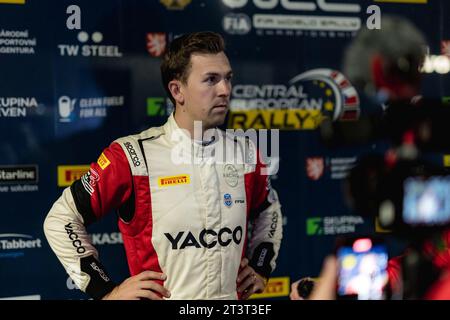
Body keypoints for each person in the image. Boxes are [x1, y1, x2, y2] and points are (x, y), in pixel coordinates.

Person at [44, 31, 283, 300]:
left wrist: (261, 264)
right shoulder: (133, 157)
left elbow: (268, 209)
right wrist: (106, 291)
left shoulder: (246, 152)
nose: (225, 90)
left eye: (228, 78)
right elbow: (61, 219)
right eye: (211, 80)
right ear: (177, 90)